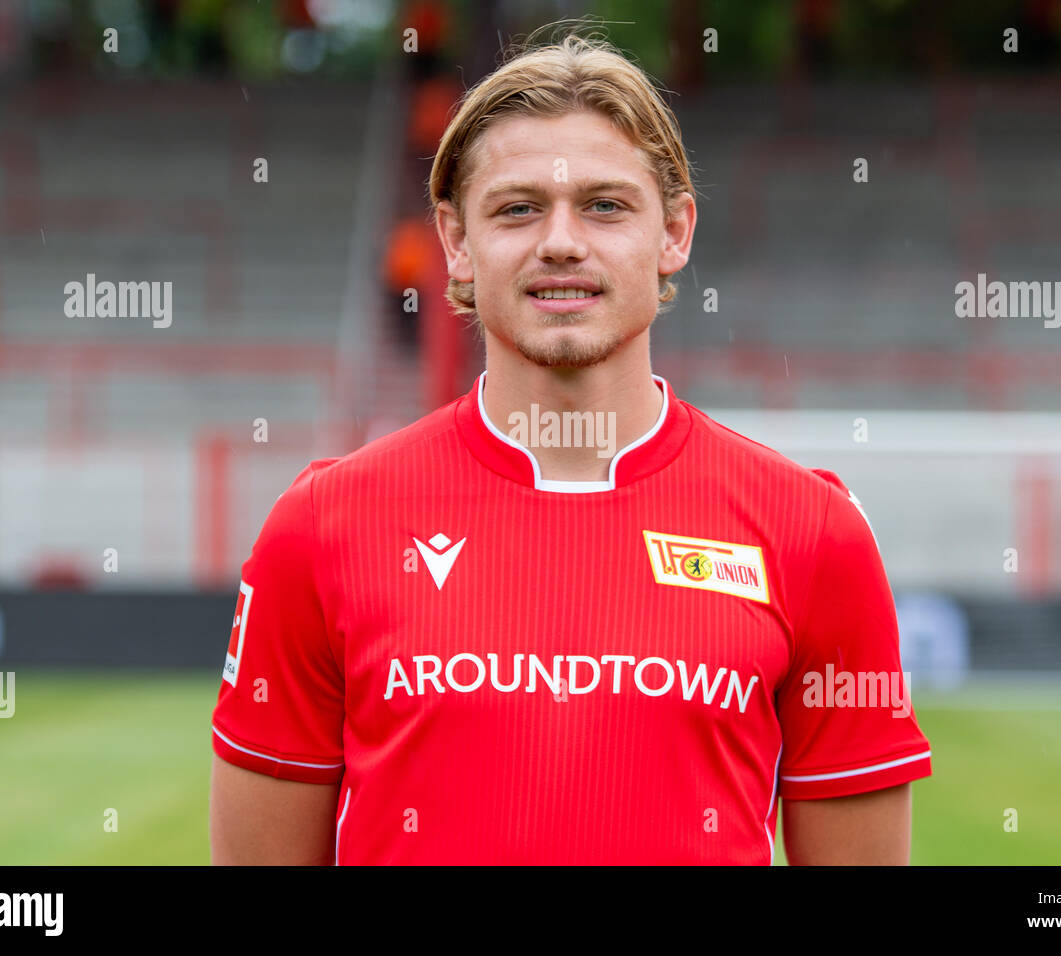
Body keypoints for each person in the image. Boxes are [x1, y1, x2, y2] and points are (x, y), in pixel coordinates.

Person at [209, 30, 931, 865]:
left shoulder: (815, 534)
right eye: (517, 208)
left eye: (605, 205)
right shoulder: (321, 528)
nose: (561, 241)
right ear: (455, 242)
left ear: (675, 233)